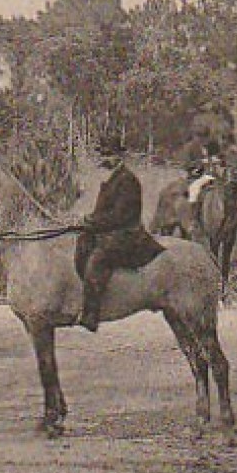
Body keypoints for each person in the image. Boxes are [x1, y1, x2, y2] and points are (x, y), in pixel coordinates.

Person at [74, 133, 164, 332]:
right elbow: (103, 212)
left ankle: (92, 313)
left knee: (98, 258)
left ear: (119, 156)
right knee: (81, 243)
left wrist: (92, 221)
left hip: (127, 233)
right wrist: (87, 220)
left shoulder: (128, 180)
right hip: (111, 230)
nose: (106, 159)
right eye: (103, 155)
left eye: (110, 155)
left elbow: (120, 216)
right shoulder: (112, 179)